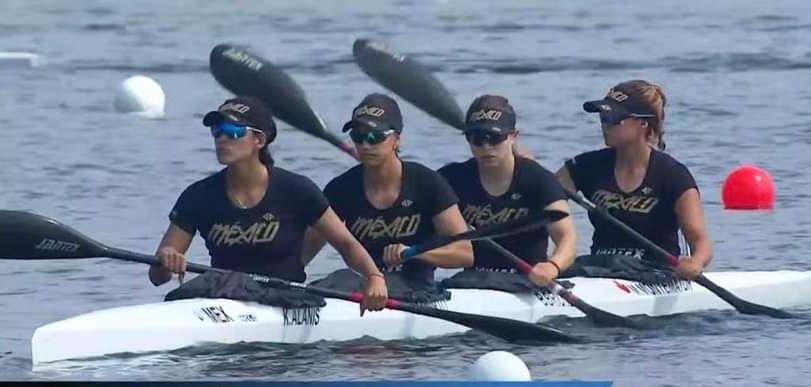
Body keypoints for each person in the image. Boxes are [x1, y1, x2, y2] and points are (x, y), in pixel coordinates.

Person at [148, 95, 388, 314]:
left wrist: (374, 278)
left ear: (259, 140)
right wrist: (166, 260)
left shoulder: (295, 189)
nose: (221, 138)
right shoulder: (198, 195)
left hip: (284, 297)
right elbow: (157, 277)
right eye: (216, 131)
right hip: (223, 296)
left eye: (232, 131)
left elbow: (346, 244)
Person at [301, 93, 473, 300]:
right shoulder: (341, 188)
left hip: (414, 286)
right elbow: (304, 252)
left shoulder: (426, 183)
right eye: (358, 137)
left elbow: (465, 254)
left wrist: (415, 253)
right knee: (337, 280)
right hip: (361, 283)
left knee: (343, 279)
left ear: (397, 139)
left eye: (375, 137)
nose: (365, 145)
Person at [556, 80, 712, 280]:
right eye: (603, 117)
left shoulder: (673, 175)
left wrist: (695, 262)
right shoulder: (586, 166)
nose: (605, 125)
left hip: (654, 271)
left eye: (613, 118)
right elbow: (542, 196)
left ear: (643, 123)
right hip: (599, 269)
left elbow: (700, 242)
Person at [437, 95, 577, 290]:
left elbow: (567, 237)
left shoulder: (538, 179)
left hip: (528, 281)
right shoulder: (451, 178)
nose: (486, 147)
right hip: (473, 281)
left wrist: (553, 266)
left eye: (494, 138)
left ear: (513, 136)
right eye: (477, 139)